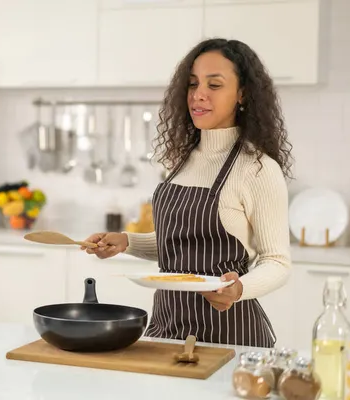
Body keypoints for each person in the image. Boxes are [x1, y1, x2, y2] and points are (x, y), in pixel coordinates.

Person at [81, 38, 293, 348]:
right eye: (193, 84)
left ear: (243, 94)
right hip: (166, 329)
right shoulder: (181, 160)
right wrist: (127, 242)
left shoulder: (257, 169)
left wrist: (239, 289)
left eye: (215, 85)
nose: (199, 95)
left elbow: (278, 262)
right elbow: (182, 242)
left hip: (229, 336)